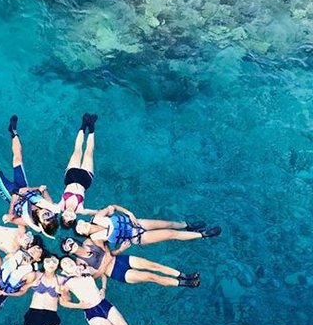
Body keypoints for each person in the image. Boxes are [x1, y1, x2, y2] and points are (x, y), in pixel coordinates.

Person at [0, 116, 60, 236]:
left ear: (40, 223)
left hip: (11, 193)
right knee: (18, 159)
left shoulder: (27, 220)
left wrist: (13, 202)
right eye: (50, 215)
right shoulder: (49, 205)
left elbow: (11, 217)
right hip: (24, 188)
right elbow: (42, 189)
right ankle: (13, 132)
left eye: (46, 218)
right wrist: (32, 189)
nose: (47, 214)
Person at [75, 204, 220, 253]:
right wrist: (120, 250)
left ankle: (187, 226)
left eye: (81, 222)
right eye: (80, 228)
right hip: (137, 238)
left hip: (138, 223)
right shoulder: (96, 240)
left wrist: (128, 213)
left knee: (169, 224)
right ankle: (204, 235)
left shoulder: (97, 217)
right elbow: (108, 255)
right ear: (83, 234)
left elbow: (113, 207)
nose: (83, 224)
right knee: (171, 234)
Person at [60, 237, 200, 288]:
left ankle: (185, 275)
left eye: (70, 242)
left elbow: (109, 252)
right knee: (151, 277)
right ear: (69, 253)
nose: (71, 245)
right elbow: (96, 275)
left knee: (154, 265)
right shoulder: (79, 263)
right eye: (68, 247)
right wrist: (106, 261)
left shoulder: (89, 242)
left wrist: (118, 250)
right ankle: (184, 284)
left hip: (121, 259)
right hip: (116, 272)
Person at [58, 112, 98, 228]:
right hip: (85, 180)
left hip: (71, 177)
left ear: (62, 214)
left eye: (66, 216)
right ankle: (91, 128)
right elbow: (97, 212)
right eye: (71, 218)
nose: (69, 215)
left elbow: (45, 204)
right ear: (75, 218)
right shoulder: (80, 210)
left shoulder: (60, 206)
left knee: (77, 151)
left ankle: (83, 125)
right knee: (89, 153)